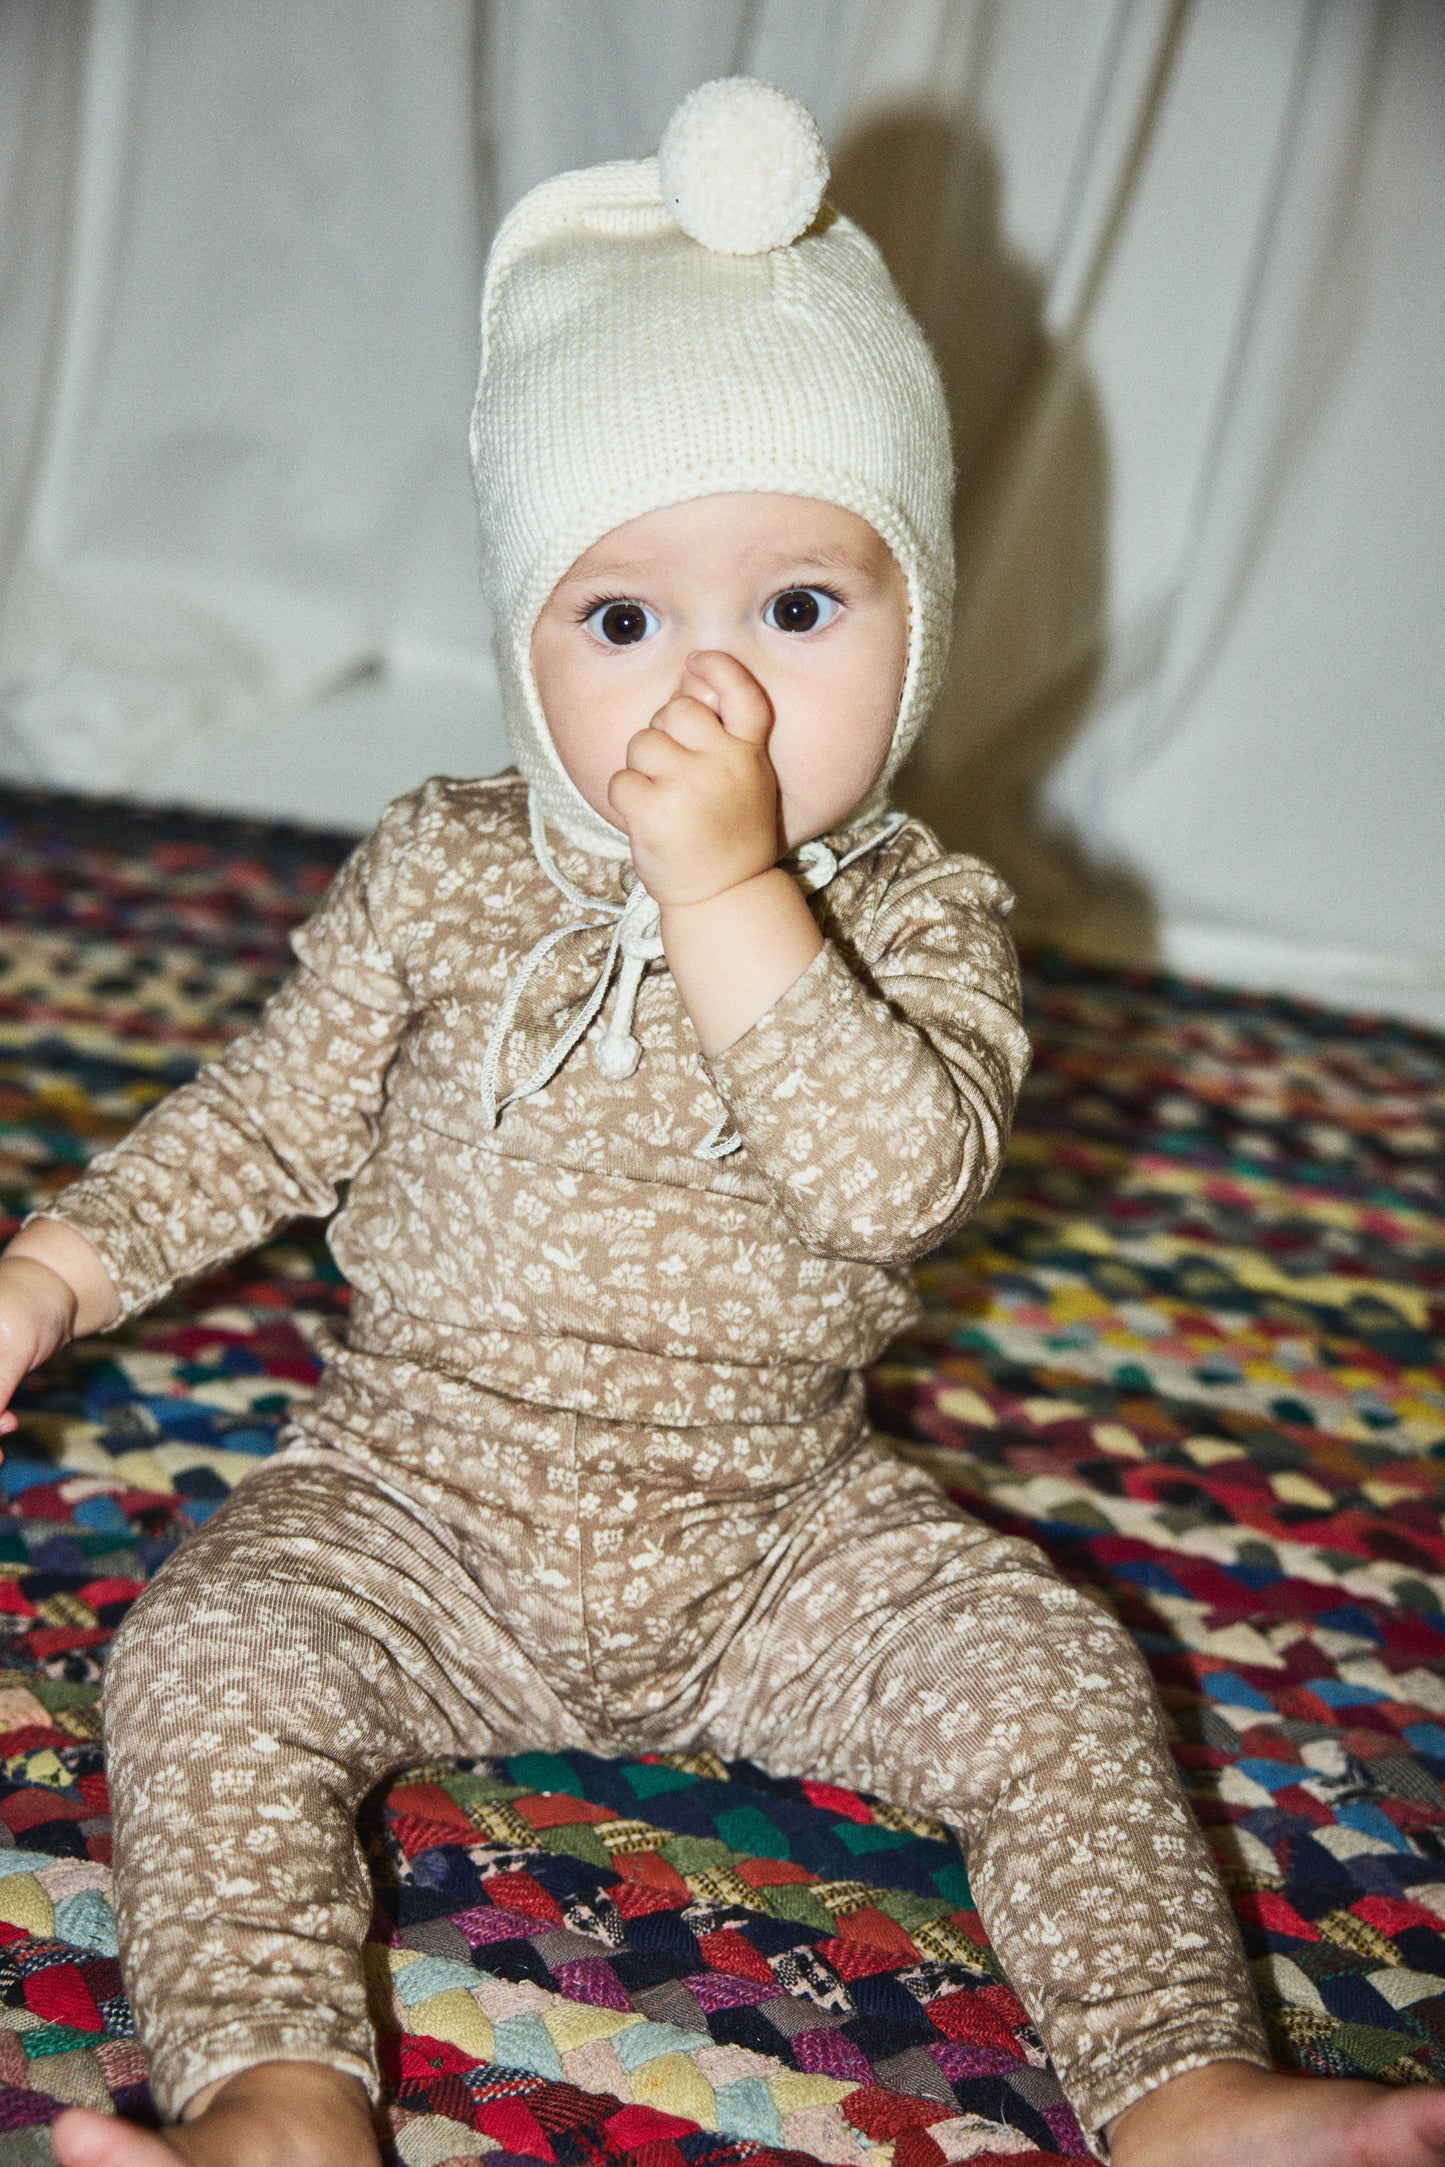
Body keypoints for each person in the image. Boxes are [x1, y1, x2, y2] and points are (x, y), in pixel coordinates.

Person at [1, 76, 1440, 2167]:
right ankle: (282, 2101)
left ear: (917, 620)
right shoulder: (440, 866)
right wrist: (63, 1256)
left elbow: (898, 1180)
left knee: (1055, 1673)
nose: (717, 695)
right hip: (416, 1499)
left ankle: (1185, 2078)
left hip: (778, 1531)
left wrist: (733, 895)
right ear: (520, 645)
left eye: (796, 608)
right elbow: (268, 1115)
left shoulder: (921, 916)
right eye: (621, 618)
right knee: (205, 1663)